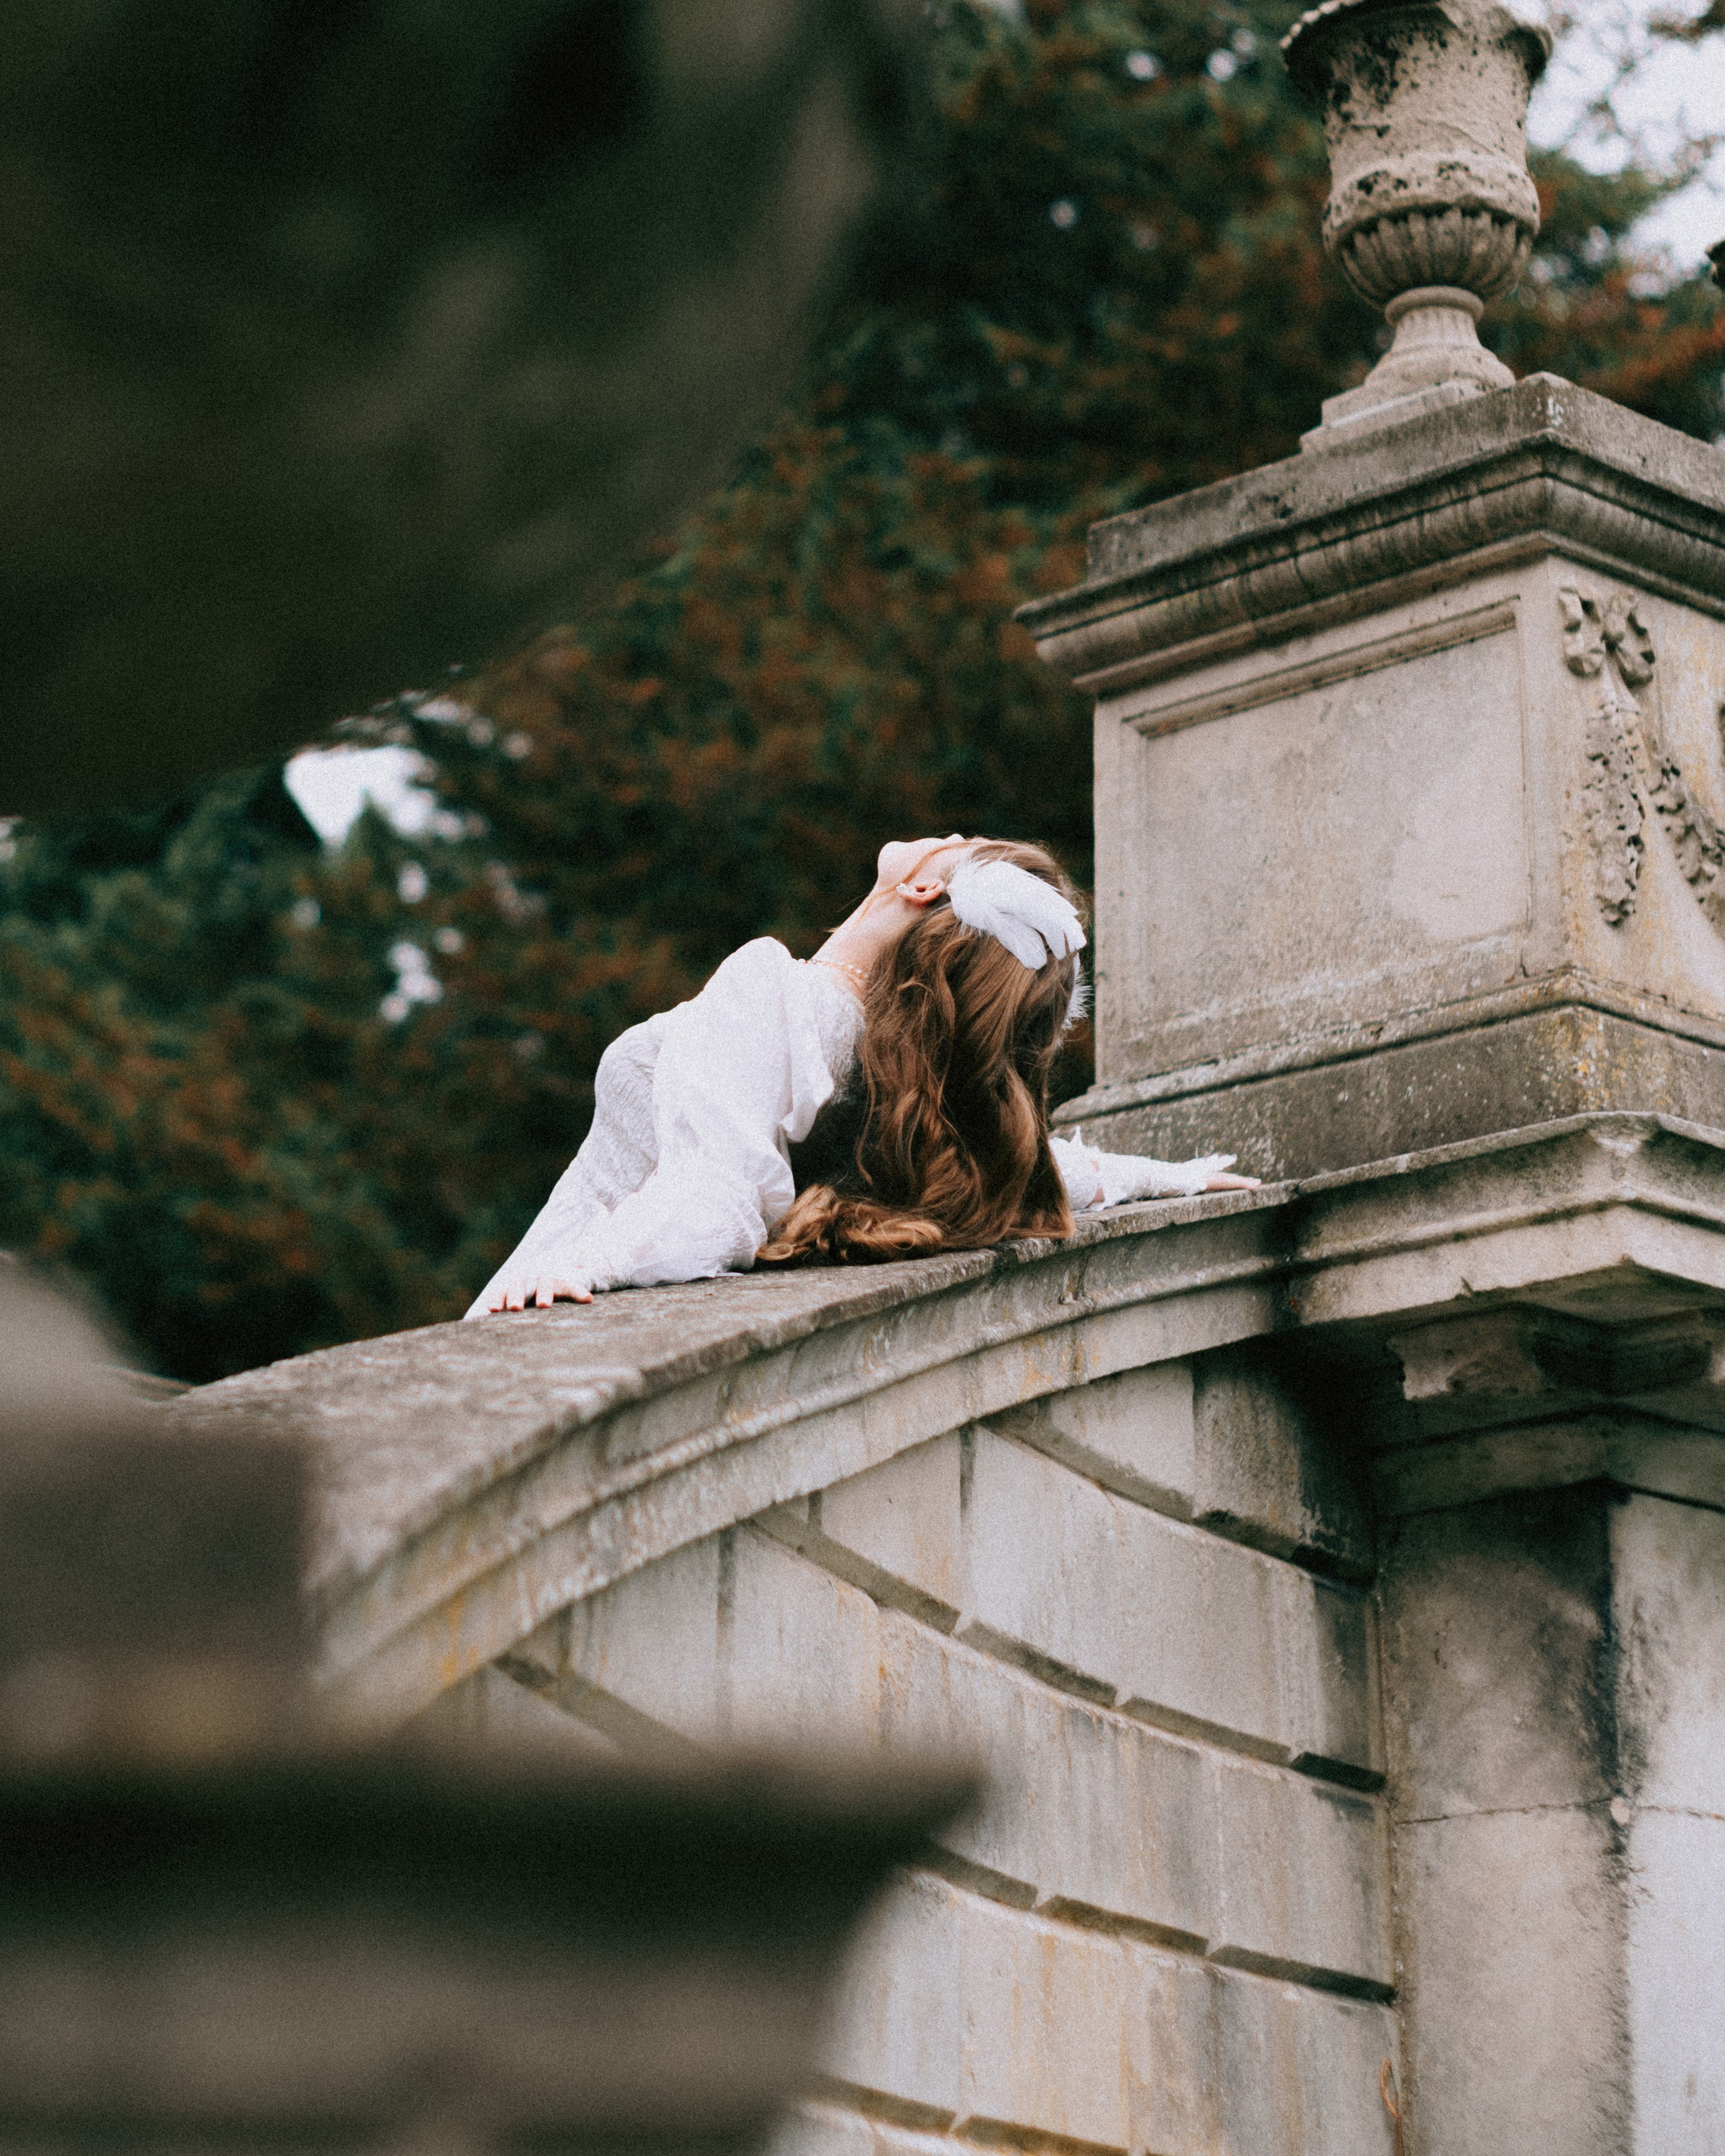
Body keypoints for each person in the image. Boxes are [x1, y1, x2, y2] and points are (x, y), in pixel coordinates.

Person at [467, 835, 1257, 1315]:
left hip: (552, 1286)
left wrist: (582, 1263)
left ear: (922, 887)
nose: (946, 830)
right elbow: (1024, 1156)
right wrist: (1166, 1177)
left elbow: (712, 1196)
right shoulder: (890, 1071)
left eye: (959, 840)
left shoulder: (767, 986)